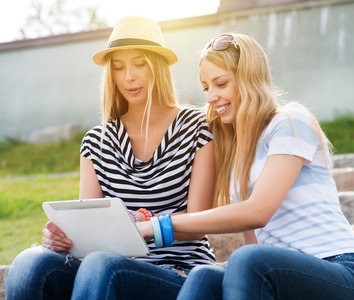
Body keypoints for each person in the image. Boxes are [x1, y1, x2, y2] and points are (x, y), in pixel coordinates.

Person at [138, 33, 354, 299]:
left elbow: (258, 212)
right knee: (205, 276)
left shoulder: (289, 121)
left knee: (247, 260)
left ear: (248, 78)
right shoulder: (238, 153)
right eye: (207, 87)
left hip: (344, 271)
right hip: (281, 278)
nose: (211, 97)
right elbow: (255, 240)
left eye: (221, 83)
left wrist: (158, 226)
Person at [6, 16, 216, 300]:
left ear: (158, 65)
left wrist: (141, 230)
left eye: (139, 64)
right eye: (118, 67)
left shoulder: (196, 126)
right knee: (29, 264)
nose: (128, 76)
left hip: (178, 273)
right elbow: (90, 231)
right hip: (103, 270)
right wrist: (62, 238)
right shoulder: (96, 142)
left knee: (102, 265)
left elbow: (198, 222)